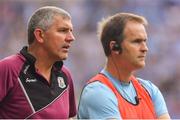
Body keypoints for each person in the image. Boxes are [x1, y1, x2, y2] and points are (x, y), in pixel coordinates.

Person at [78, 13, 170, 119]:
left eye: (145, 41)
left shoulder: (150, 90)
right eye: (136, 41)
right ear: (114, 47)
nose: (145, 48)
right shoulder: (97, 92)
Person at [0, 6, 76, 119]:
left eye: (71, 31)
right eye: (63, 30)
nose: (71, 38)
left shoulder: (65, 75)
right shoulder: (8, 68)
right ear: (40, 35)